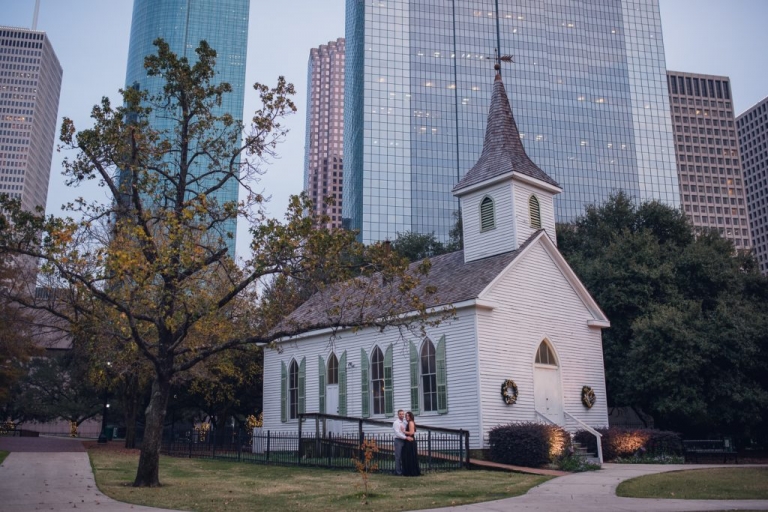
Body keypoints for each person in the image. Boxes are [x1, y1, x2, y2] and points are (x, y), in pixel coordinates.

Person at [401, 411, 421, 476]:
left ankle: (410, 472)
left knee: (409, 456)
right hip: (409, 441)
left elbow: (411, 432)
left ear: (411, 416)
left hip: (410, 441)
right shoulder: (409, 422)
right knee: (408, 456)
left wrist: (403, 431)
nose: (407, 417)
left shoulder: (410, 422)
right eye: (406, 416)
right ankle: (409, 471)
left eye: (408, 415)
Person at [392, 409, 406, 475]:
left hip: (404, 440)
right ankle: (398, 472)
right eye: (400, 414)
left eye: (402, 414)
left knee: (403, 456)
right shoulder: (396, 423)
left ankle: (403, 470)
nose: (401, 415)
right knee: (398, 456)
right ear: (398, 415)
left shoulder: (404, 422)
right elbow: (397, 433)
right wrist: (406, 437)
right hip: (398, 440)